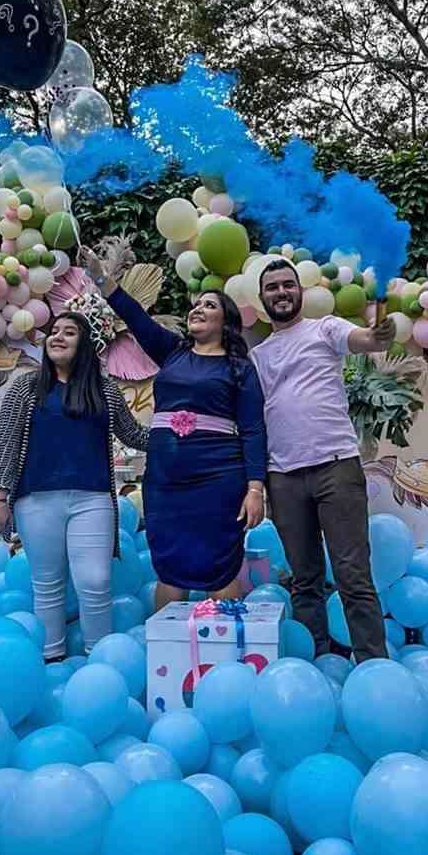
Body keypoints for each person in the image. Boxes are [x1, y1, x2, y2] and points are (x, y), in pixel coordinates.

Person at [84, 250, 267, 609]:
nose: (197, 309)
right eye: (195, 305)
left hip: (219, 480)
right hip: (165, 480)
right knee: (169, 565)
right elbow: (136, 318)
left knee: (220, 565)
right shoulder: (172, 352)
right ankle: (169, 659)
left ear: (226, 320)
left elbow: (253, 430)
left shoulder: (241, 369)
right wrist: (102, 279)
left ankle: (223, 659)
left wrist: (255, 488)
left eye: (209, 306)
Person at [251, 258, 396, 662]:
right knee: (305, 580)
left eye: (287, 285)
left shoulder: (325, 328)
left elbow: (369, 340)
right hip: (283, 477)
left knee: (353, 576)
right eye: (272, 287)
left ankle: (374, 665)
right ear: (263, 299)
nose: (281, 291)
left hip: (336, 468)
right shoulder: (258, 356)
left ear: (300, 291)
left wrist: (381, 333)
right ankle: (313, 665)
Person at [0, 311, 149, 659]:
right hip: (36, 501)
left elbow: (133, 434)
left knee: (95, 581)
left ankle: (100, 659)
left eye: (70, 332)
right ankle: (51, 659)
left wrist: (178, 432)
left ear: (85, 345)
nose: (58, 337)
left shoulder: (104, 389)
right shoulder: (26, 388)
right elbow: (6, 444)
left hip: (92, 500)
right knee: (47, 586)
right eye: (54, 331)